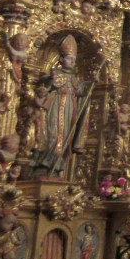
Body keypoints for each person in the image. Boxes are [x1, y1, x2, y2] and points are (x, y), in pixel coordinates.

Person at [30, 35, 94, 178]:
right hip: (55, 106)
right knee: (52, 136)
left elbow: (81, 91)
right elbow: (44, 85)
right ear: (61, 59)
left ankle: (57, 166)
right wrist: (48, 80)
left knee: (65, 138)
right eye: (69, 59)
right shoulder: (54, 74)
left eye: (74, 60)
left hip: (69, 110)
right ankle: (44, 164)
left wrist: (92, 82)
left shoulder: (74, 78)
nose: (72, 62)